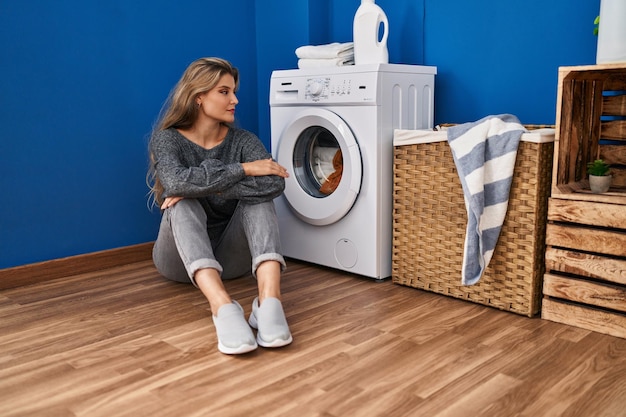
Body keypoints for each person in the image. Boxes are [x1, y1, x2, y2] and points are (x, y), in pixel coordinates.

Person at [147, 57, 292, 355]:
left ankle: (269, 303)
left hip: (234, 259)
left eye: (234, 91)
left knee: (258, 198)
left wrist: (198, 185)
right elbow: (174, 183)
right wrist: (245, 169)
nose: (235, 100)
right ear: (199, 97)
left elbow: (275, 184)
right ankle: (223, 307)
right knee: (182, 202)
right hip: (178, 262)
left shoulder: (244, 140)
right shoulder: (168, 140)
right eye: (224, 92)